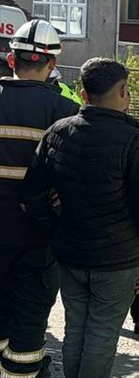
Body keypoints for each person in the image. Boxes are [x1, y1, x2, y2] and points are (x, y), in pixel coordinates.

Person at [22, 57, 139, 378]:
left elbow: (31, 195)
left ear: (82, 94)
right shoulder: (133, 140)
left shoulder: (58, 132)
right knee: (101, 334)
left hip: (70, 253)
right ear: (125, 91)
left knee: (76, 330)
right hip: (119, 259)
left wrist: (54, 228)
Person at [1, 20, 78, 378]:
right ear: (52, 66)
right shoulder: (65, 113)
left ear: (11, 60)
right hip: (38, 235)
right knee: (30, 316)